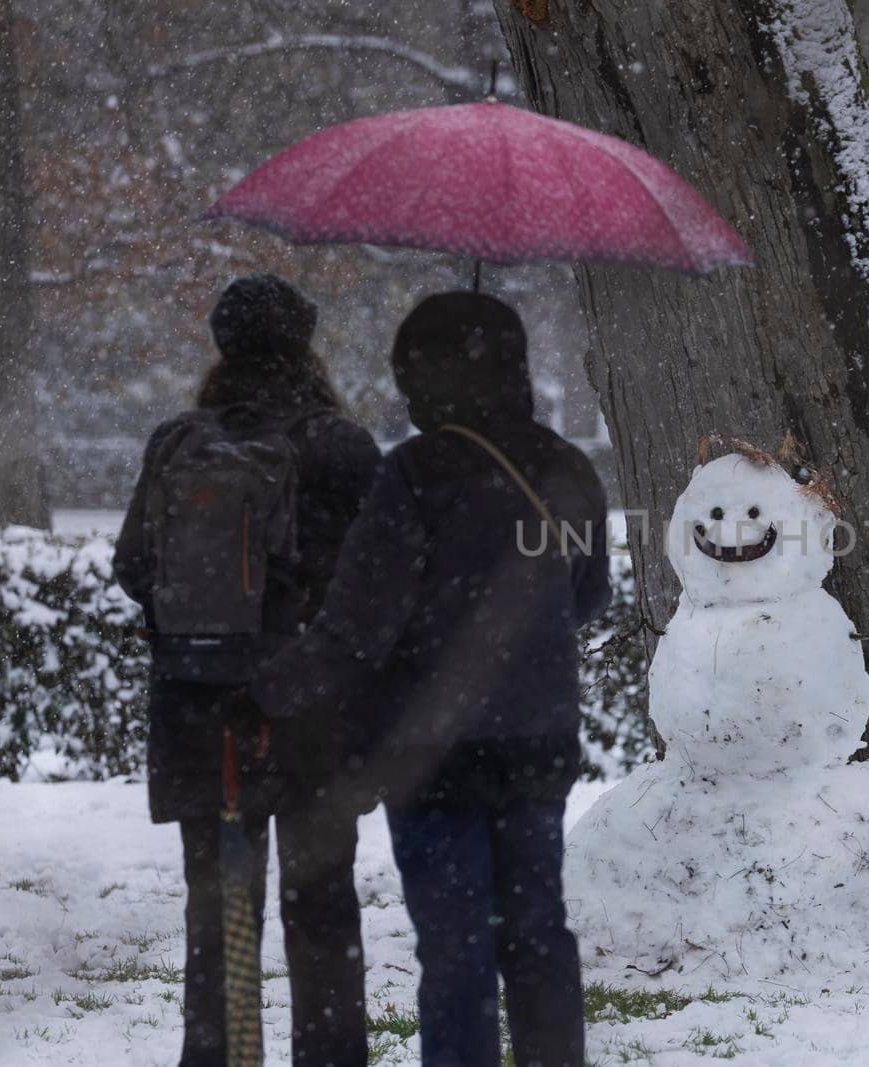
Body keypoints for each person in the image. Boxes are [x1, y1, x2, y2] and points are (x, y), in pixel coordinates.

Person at [254, 291, 611, 1067]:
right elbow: (588, 596)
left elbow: (357, 625)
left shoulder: (412, 475)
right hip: (538, 745)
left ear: (421, 378)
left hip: (432, 755)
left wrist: (266, 689)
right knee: (539, 936)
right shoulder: (566, 467)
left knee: (456, 952)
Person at [113, 274, 381, 1067]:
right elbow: (383, 584)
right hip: (310, 718)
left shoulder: (178, 442)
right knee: (322, 911)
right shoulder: (340, 445)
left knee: (222, 912)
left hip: (204, 713)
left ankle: (223, 1055)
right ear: (305, 345)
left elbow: (133, 566)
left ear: (222, 347)